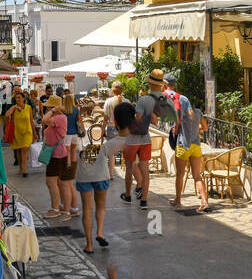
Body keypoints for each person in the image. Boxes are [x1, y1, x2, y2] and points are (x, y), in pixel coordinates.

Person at [76, 102, 133, 253]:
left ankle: (89, 245)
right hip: (100, 172)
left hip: (85, 169)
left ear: (115, 122)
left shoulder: (106, 144)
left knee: (87, 209)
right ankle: (99, 233)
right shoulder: (127, 141)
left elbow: (87, 153)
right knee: (100, 205)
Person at [121, 69, 174, 210]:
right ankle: (144, 201)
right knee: (145, 170)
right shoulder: (162, 100)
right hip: (146, 139)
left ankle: (127, 195)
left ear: (150, 83)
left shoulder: (143, 99)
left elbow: (138, 119)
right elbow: (156, 121)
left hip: (133, 139)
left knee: (129, 167)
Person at [170, 90, 210, 212]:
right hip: (196, 146)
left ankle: (177, 200)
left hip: (183, 146)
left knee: (180, 175)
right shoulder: (198, 113)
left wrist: (174, 131)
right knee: (197, 175)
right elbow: (205, 128)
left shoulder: (180, 114)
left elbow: (175, 130)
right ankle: (204, 200)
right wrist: (194, 127)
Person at [41, 96, 74, 220]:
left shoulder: (59, 117)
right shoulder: (58, 117)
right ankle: (63, 209)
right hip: (56, 153)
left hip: (57, 154)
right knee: (58, 182)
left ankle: (56, 209)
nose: (47, 108)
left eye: (49, 106)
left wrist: (53, 110)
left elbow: (44, 120)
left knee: (52, 181)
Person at [4, 93, 35, 178]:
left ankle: (24, 170)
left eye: (19, 98)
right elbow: (7, 115)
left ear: (23, 98)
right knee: (19, 151)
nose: (17, 99)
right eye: (16, 98)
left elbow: (31, 121)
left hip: (27, 132)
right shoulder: (13, 108)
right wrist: (14, 107)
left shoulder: (28, 108)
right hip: (17, 132)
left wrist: (35, 133)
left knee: (25, 149)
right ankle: (21, 168)